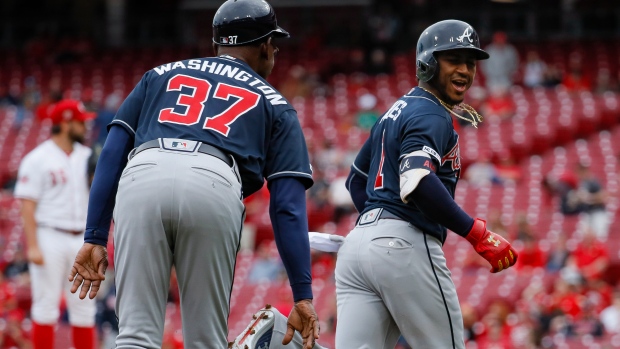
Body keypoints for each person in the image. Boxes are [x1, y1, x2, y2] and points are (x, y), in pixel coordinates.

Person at [67, 1, 320, 348]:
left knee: (136, 336)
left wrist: (94, 235)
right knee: (205, 340)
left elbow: (112, 153)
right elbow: (287, 207)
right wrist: (302, 293)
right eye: (274, 43)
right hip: (213, 179)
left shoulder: (159, 74)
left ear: (218, 45)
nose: (275, 50)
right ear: (264, 47)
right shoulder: (276, 103)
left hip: (144, 171)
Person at [339, 20, 519, 348]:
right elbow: (417, 180)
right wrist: (476, 233)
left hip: (357, 248)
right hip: (404, 245)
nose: (465, 70)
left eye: (470, 62)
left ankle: (280, 337)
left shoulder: (395, 111)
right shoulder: (432, 113)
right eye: (454, 60)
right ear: (428, 63)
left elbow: (356, 180)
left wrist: (375, 229)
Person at [14, 100, 97, 349]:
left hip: (83, 237)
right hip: (50, 234)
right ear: (65, 123)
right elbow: (27, 205)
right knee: (45, 305)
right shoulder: (37, 158)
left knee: (84, 308)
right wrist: (33, 246)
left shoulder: (88, 156)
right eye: (80, 122)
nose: (85, 126)